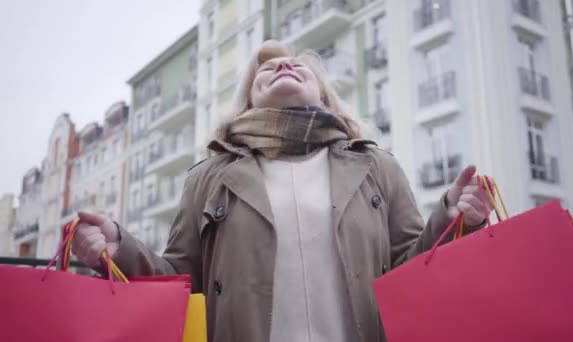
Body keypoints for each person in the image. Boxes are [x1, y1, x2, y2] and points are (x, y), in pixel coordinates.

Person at [73, 40, 492, 342]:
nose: (283, 67)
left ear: (325, 96)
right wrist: (119, 248)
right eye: (266, 71)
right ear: (249, 102)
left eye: (298, 65)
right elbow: (181, 281)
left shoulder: (376, 166)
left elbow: (411, 270)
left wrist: (455, 219)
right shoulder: (208, 177)